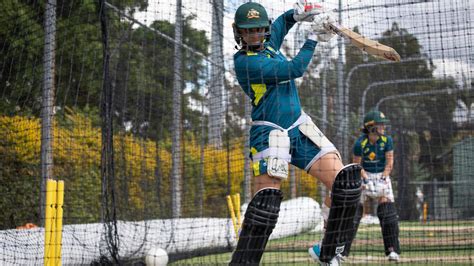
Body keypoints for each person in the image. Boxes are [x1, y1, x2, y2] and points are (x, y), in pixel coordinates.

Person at [230, 1, 362, 265]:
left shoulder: (268, 43)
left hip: (299, 127)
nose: (254, 35)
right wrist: (314, 36)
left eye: (258, 29)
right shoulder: (245, 63)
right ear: (239, 33)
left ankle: (327, 253)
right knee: (264, 206)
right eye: (248, 31)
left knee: (346, 185)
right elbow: (294, 69)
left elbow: (281, 24)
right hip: (269, 132)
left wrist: (298, 13)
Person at [341, 110, 401, 262]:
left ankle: (392, 251)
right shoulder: (359, 143)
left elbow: (390, 162)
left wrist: (383, 178)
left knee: (388, 215)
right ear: (371, 127)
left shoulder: (387, 141)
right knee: (353, 215)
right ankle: (342, 251)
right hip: (364, 176)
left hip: (382, 177)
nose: (383, 127)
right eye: (380, 124)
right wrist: (366, 179)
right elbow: (356, 164)